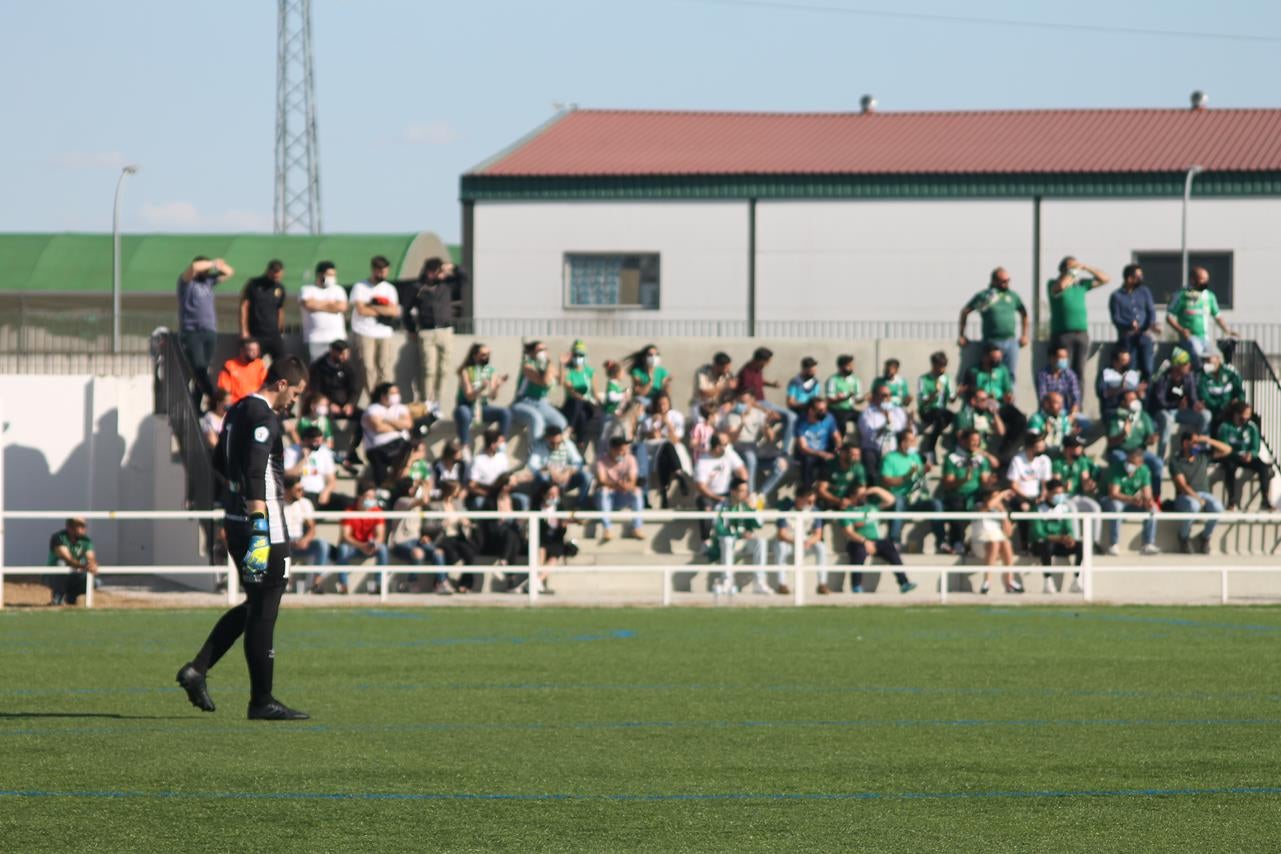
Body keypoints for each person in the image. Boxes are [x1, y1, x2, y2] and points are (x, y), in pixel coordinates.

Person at [176, 355, 310, 720]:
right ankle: (261, 701)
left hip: (237, 521)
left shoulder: (236, 409)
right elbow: (254, 470)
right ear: (282, 384)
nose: (295, 401)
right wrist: (260, 524)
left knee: (255, 603)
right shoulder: (265, 416)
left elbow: (219, 461)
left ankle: (198, 669)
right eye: (296, 393)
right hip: (264, 527)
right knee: (266, 604)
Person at [405, 257, 464, 412]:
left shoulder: (446, 286)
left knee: (443, 369)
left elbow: (464, 277)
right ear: (430, 272)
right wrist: (411, 329)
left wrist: (452, 267)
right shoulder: (418, 288)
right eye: (438, 271)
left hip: (445, 330)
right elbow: (406, 310)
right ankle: (427, 402)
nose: (441, 274)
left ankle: (437, 401)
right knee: (428, 369)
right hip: (427, 331)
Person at [880, 429, 949, 554]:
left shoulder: (915, 457)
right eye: (911, 441)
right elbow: (887, 481)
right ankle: (894, 541)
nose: (914, 444)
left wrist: (926, 470)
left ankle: (942, 541)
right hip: (899, 497)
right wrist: (905, 477)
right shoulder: (890, 458)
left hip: (916, 498)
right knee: (898, 503)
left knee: (936, 504)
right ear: (902, 442)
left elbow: (918, 476)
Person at [178, 256, 234, 407]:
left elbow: (229, 272)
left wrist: (219, 266)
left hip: (209, 331)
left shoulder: (208, 281)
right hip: (192, 332)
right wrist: (213, 263)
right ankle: (214, 398)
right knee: (199, 367)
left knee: (203, 371)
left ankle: (197, 405)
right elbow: (194, 267)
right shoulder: (186, 282)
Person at [958, 267, 1029, 382]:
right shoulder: (985, 296)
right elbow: (965, 312)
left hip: (1010, 342)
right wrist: (962, 335)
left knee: (1010, 375)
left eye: (1008, 281)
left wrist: (1024, 335)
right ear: (994, 281)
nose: (1006, 284)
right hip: (991, 341)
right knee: (990, 373)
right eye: (1003, 281)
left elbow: (1024, 313)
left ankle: (1009, 393)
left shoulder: (1012, 296)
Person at [1048, 256, 1110, 381]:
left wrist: (1085, 267)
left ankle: (1077, 394)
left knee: (1079, 371)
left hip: (1081, 334)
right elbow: (1061, 286)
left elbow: (1105, 279)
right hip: (1063, 334)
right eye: (1071, 267)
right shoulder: (1053, 283)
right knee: (1064, 370)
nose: (1075, 269)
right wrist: (1071, 272)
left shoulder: (1081, 284)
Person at [708, 477, 774, 595]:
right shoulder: (721, 506)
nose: (745, 494)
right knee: (727, 540)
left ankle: (759, 582)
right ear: (733, 491)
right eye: (741, 491)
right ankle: (726, 581)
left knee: (760, 541)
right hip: (727, 543)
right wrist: (739, 533)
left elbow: (759, 525)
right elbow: (720, 529)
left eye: (746, 491)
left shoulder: (746, 506)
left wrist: (753, 509)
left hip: (743, 543)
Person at [720, 389, 788, 501]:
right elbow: (732, 439)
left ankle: (761, 495)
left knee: (781, 464)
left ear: (752, 401)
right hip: (739, 448)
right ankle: (750, 494)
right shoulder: (732, 416)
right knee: (750, 456)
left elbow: (771, 438)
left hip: (754, 449)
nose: (743, 405)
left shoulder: (758, 414)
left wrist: (767, 425)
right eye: (741, 402)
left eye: (745, 402)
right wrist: (741, 423)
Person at [842, 494, 917, 595]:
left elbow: (891, 500)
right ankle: (856, 586)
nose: (862, 497)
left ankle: (904, 583)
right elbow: (848, 532)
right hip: (858, 541)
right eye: (859, 495)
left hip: (875, 540)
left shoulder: (872, 508)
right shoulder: (848, 512)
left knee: (890, 547)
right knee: (859, 552)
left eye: (864, 494)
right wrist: (865, 542)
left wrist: (874, 489)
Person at [1169, 431, 1230, 554]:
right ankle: (1183, 536)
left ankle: (1205, 537)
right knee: (1194, 505)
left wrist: (1208, 440)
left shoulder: (1203, 456)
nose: (1197, 446)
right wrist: (1197, 498)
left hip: (1204, 494)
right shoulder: (1175, 461)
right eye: (1195, 443)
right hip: (1185, 496)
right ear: (1185, 443)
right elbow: (1182, 485)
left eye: (1198, 443)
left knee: (1218, 507)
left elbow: (1227, 450)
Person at [940, 429, 999, 555]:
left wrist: (990, 480)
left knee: (991, 505)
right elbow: (948, 483)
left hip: (976, 495)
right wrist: (963, 480)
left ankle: (981, 542)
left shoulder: (981, 458)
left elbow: (984, 480)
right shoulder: (952, 457)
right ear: (963, 441)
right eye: (972, 440)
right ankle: (957, 542)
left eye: (978, 440)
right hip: (957, 494)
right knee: (957, 505)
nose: (975, 443)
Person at [349, 255, 400, 400]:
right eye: (380, 271)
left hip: (384, 333)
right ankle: (374, 398)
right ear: (373, 270)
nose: (383, 274)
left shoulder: (390, 289)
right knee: (368, 366)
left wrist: (371, 306)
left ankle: (385, 396)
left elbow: (394, 311)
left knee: (385, 367)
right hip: (364, 331)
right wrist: (383, 310)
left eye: (385, 271)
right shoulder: (360, 287)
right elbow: (361, 310)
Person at [960, 342, 1024, 457]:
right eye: (993, 358)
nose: (997, 361)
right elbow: (971, 393)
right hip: (982, 406)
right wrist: (986, 399)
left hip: (999, 405)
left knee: (1020, 419)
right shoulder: (974, 371)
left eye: (999, 358)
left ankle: (1005, 450)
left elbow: (1008, 389)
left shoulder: (1002, 370)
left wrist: (1008, 396)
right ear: (985, 357)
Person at [1166, 266, 1237, 370]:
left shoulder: (1209, 296)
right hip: (1190, 338)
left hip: (1205, 338)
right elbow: (1169, 317)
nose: (1205, 282)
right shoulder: (1181, 295)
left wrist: (1227, 330)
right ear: (1193, 280)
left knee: (1217, 359)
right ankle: (1199, 374)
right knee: (1197, 357)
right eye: (1202, 279)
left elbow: (1217, 316)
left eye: (1207, 279)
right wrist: (1181, 330)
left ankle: (1209, 377)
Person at [307, 340, 362, 471]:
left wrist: (350, 404)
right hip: (327, 405)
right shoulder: (319, 366)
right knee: (324, 418)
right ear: (333, 352)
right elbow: (315, 389)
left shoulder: (348, 366)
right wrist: (329, 404)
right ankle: (329, 450)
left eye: (346, 354)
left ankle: (353, 449)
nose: (344, 357)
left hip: (346, 405)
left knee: (364, 417)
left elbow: (355, 388)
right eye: (341, 354)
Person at [389, 479, 451, 595]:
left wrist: (424, 536)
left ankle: (441, 582)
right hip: (400, 542)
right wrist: (425, 486)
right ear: (409, 489)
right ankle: (411, 582)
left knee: (438, 552)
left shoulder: (416, 503)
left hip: (416, 540)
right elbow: (424, 500)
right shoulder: (402, 501)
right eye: (414, 487)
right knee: (418, 553)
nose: (416, 489)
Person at [1148, 348, 1211, 460]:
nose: (1189, 365)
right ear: (1177, 366)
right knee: (1167, 420)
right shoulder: (1163, 377)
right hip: (1164, 412)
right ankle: (1160, 458)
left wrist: (1196, 405)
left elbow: (1192, 397)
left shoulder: (1189, 376)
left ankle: (1203, 455)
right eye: (1185, 363)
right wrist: (1176, 404)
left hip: (1181, 412)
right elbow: (1159, 402)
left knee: (1206, 415)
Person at [633, 392, 691, 508]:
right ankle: (678, 473)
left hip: (668, 447)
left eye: (664, 404)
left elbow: (676, 439)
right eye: (659, 404)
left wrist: (667, 424)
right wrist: (653, 429)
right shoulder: (650, 418)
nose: (662, 407)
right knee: (664, 447)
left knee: (665, 452)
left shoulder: (676, 416)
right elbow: (643, 437)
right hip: (654, 447)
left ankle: (664, 493)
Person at [1101, 446, 1159, 556]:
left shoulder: (1144, 470)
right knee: (1116, 506)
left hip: (1131, 501)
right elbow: (1113, 494)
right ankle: (1113, 544)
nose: (1129, 464)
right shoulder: (1117, 468)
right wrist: (1132, 499)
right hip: (1112, 500)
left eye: (1133, 463)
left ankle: (1148, 544)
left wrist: (1147, 501)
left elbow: (1147, 493)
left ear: (1140, 463)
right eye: (1128, 461)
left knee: (1152, 508)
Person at [425, 481, 482, 593]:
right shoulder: (434, 505)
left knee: (469, 553)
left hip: (458, 536)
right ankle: (440, 581)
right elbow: (427, 526)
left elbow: (467, 518)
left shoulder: (458, 503)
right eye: (457, 490)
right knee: (451, 555)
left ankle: (465, 584)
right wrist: (442, 524)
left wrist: (466, 522)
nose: (459, 492)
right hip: (443, 537)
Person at [1107, 388, 1164, 497]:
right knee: (1121, 461)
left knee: (1157, 463)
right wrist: (1123, 434)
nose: (1135, 402)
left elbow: (1149, 438)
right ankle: (1122, 494)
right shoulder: (1116, 417)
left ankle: (1156, 497)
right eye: (1131, 399)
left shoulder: (1143, 415)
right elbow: (1111, 442)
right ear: (1123, 402)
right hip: (1121, 450)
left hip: (1139, 452)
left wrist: (1152, 439)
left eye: (1135, 399)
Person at [335, 481, 391, 592]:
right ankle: (343, 585)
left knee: (383, 549)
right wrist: (362, 546)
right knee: (343, 549)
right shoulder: (349, 512)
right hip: (354, 547)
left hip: (370, 546)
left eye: (373, 497)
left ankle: (379, 585)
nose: (371, 500)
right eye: (368, 496)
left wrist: (373, 544)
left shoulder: (377, 512)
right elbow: (345, 537)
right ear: (360, 497)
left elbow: (380, 536)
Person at [693, 432, 748, 541]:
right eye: (725, 444)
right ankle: (706, 540)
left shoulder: (729, 453)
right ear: (717, 447)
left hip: (727, 493)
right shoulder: (702, 462)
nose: (728, 446)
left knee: (743, 493)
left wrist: (738, 490)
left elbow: (743, 474)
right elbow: (701, 487)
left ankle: (740, 533)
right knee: (706, 507)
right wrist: (718, 498)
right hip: (707, 495)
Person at [454, 342, 512, 447]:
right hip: (466, 406)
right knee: (464, 414)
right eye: (484, 355)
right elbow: (469, 396)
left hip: (482, 407)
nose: (487, 357)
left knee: (505, 413)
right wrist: (481, 388)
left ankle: (500, 445)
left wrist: (497, 386)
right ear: (475, 355)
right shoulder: (466, 371)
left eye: (488, 354)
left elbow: (493, 397)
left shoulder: (490, 371)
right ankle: (464, 446)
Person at [1031, 479, 1083, 594]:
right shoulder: (1038, 508)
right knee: (1047, 545)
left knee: (1081, 546)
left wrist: (1069, 538)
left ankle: (1076, 580)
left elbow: (1069, 528)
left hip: (1060, 544)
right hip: (1041, 545)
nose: (1059, 496)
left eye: (1061, 493)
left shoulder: (1064, 508)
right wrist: (1058, 538)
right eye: (1056, 493)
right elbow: (1038, 533)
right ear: (1048, 493)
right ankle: (1047, 581)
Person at [1218, 401, 1272, 511]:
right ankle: (1231, 501)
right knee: (1230, 468)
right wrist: (1237, 455)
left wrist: (1251, 454)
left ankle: (1265, 499)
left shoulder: (1251, 427)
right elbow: (1223, 447)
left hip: (1247, 456)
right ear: (1237, 414)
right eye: (1245, 414)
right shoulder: (1225, 427)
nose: (1247, 417)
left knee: (1263, 467)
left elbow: (1255, 447)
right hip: (1231, 456)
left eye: (1248, 414)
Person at [738, 346, 795, 449]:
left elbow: (758, 381)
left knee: (792, 417)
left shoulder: (758, 369)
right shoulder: (746, 373)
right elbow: (747, 399)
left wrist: (771, 384)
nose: (768, 364)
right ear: (761, 360)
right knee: (788, 417)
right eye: (768, 361)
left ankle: (782, 447)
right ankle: (781, 448)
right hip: (758, 404)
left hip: (764, 402)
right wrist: (766, 410)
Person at [1109, 263, 1159, 378]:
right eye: (1138, 276)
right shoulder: (1116, 296)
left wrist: (1149, 325)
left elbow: (1151, 311)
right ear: (1129, 278)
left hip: (1144, 335)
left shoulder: (1144, 292)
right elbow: (1116, 318)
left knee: (1148, 368)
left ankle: (1146, 387)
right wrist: (1128, 324)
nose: (1141, 279)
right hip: (1128, 337)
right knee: (1131, 368)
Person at [282, 476, 331, 594]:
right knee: (280, 545)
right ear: (287, 490)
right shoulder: (278, 504)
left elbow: (312, 528)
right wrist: (289, 542)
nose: (301, 492)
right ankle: (285, 584)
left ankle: (316, 584)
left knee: (321, 544)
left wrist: (305, 540)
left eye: (302, 489)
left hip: (299, 541)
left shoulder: (305, 503)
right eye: (298, 490)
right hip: (283, 541)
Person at [968, 489, 1022, 594]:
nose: (998, 500)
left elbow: (1009, 533)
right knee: (994, 543)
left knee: (1006, 543)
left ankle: (1009, 581)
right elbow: (988, 505)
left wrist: (1003, 513)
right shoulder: (978, 506)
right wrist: (1003, 493)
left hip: (999, 545)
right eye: (995, 497)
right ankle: (987, 581)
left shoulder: (1000, 511)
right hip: (980, 544)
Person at [512, 340, 568, 441]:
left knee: (561, 423)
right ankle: (535, 449)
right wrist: (549, 364)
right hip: (525, 401)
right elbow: (544, 382)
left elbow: (560, 381)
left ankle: (547, 446)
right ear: (532, 353)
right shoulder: (528, 365)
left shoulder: (548, 366)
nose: (543, 352)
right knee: (536, 418)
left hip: (542, 403)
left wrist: (561, 365)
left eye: (545, 349)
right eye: (540, 350)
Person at [1006, 431, 1054, 548]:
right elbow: (1013, 485)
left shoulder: (1045, 460)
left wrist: (1042, 496)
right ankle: (1025, 545)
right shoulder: (1018, 460)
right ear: (1030, 447)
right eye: (1038, 447)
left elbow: (1045, 483)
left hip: (1037, 496)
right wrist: (1027, 499)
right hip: (1020, 495)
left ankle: (1042, 543)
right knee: (1024, 509)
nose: (1041, 450)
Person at [1053, 434, 1103, 544]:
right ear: (1068, 449)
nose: (1080, 450)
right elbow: (1055, 486)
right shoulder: (1058, 462)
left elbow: (1085, 480)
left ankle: (1094, 542)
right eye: (1077, 447)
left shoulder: (1082, 461)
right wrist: (1064, 487)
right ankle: (1076, 541)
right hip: (1062, 497)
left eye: (1080, 447)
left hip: (1077, 496)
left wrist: (1090, 484)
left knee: (1095, 508)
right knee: (1072, 509)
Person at [283, 425, 346, 511]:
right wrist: (304, 459)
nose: (318, 444)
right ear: (306, 440)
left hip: (320, 493)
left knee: (345, 502)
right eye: (315, 441)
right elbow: (288, 475)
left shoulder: (324, 452)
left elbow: (331, 480)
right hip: (303, 493)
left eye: (320, 441)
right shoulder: (291, 451)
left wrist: (326, 492)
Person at [594, 435, 644, 542]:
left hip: (623, 495)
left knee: (637, 492)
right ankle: (607, 528)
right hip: (609, 496)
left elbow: (633, 480)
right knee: (603, 491)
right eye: (621, 450)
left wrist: (627, 486)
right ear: (612, 449)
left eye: (625, 450)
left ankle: (637, 527)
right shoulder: (601, 460)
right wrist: (616, 485)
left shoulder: (630, 459)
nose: (624, 453)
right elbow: (601, 480)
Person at [362, 382, 413, 487]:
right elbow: (378, 427)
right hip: (378, 449)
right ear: (383, 396)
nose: (396, 395)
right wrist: (399, 427)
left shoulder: (401, 408)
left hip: (400, 446)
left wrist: (387, 420)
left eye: (397, 392)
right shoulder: (373, 409)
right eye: (392, 393)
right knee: (381, 477)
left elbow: (408, 424)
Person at [774, 487, 824, 593]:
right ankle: (782, 584)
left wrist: (809, 541)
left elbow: (818, 535)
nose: (811, 504)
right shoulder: (786, 508)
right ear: (798, 498)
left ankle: (822, 584)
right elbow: (782, 534)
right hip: (790, 541)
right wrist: (797, 541)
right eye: (809, 501)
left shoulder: (815, 510)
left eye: (813, 502)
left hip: (806, 542)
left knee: (821, 547)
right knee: (780, 547)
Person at [527, 425, 591, 507]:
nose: (556, 446)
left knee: (587, 476)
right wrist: (548, 469)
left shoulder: (567, 444)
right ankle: (537, 505)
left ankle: (580, 507)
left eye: (558, 443)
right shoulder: (540, 445)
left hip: (565, 479)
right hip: (547, 482)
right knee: (541, 477)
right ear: (546, 438)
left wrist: (569, 471)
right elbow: (532, 465)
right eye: (552, 443)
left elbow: (578, 463)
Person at [468, 428, 530, 511]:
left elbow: (506, 478)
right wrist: (488, 494)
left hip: (503, 492)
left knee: (523, 499)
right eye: (500, 442)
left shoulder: (502, 457)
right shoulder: (478, 460)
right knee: (479, 502)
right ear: (493, 445)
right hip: (486, 493)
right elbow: (472, 485)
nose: (502, 445)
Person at [857, 384, 907, 484]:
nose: (887, 398)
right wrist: (884, 426)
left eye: (889, 395)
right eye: (884, 395)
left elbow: (900, 428)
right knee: (871, 467)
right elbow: (868, 434)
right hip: (873, 449)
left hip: (891, 449)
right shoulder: (867, 413)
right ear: (875, 397)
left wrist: (888, 417)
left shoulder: (897, 411)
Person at [299, 261, 348, 362]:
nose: (332, 278)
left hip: (337, 337)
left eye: (333, 275)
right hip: (315, 338)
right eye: (329, 275)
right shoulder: (307, 289)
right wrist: (331, 304)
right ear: (319, 275)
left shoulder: (338, 290)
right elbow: (308, 304)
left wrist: (318, 303)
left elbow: (342, 307)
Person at [239, 260, 287, 362]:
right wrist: (244, 331)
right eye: (274, 275)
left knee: (282, 362)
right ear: (268, 271)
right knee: (253, 364)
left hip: (274, 335)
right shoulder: (254, 284)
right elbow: (244, 306)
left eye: (279, 276)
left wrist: (280, 330)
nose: (276, 278)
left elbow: (280, 309)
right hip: (256, 334)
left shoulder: (280, 288)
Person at [1035, 344, 1090, 432]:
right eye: (1061, 357)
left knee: (1085, 424)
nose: (1064, 360)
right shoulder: (1043, 375)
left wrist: (1072, 415)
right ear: (1052, 358)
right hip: (1048, 413)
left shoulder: (1070, 375)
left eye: (1065, 357)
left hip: (1067, 413)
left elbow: (1076, 398)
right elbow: (1043, 399)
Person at [46, 517, 97, 606]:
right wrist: (83, 566)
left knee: (96, 582)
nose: (83, 528)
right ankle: (57, 598)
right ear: (69, 527)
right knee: (61, 564)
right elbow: (67, 558)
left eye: (84, 525)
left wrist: (92, 564)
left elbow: (90, 557)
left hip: (73, 574)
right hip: (52, 576)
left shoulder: (86, 540)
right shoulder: (58, 537)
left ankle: (71, 596)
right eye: (79, 525)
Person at [916, 351, 956, 461]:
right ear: (934, 365)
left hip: (941, 411)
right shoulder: (924, 379)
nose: (943, 369)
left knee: (952, 417)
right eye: (940, 366)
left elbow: (952, 398)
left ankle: (934, 448)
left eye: (944, 366)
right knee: (939, 416)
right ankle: (930, 449)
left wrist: (956, 394)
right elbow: (923, 401)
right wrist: (933, 394)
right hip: (927, 410)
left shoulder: (947, 378)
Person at [561, 339, 599, 451]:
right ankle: (579, 440)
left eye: (581, 355)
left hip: (587, 404)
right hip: (572, 403)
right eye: (576, 355)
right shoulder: (569, 371)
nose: (578, 358)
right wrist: (561, 365)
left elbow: (595, 393)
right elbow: (566, 385)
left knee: (583, 412)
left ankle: (573, 431)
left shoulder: (590, 371)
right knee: (579, 408)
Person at [797, 398, 843, 489]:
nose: (824, 412)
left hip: (824, 450)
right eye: (821, 410)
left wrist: (838, 446)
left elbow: (837, 436)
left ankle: (827, 489)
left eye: (825, 409)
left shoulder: (829, 418)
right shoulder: (801, 422)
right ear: (811, 411)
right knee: (807, 461)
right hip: (809, 453)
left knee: (835, 459)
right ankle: (807, 489)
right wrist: (821, 454)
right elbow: (803, 447)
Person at [1197, 353, 1245, 437]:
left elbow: (1240, 391)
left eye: (1209, 359)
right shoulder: (1202, 374)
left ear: (1218, 359)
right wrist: (1221, 406)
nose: (1207, 362)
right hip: (1214, 410)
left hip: (1230, 408)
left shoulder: (1230, 372)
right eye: (1205, 360)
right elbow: (1204, 396)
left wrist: (1238, 403)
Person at [953, 389, 1007, 457]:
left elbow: (1001, 432)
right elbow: (961, 440)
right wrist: (986, 455)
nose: (987, 402)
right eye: (983, 400)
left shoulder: (987, 415)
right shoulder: (963, 415)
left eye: (987, 399)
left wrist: (995, 413)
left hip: (984, 453)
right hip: (967, 454)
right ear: (973, 401)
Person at [216, 337, 268, 405]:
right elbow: (224, 391)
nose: (254, 353)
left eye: (256, 350)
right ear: (242, 351)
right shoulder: (230, 366)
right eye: (251, 350)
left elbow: (265, 385)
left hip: (255, 403)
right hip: (237, 404)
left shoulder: (259, 364)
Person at [825, 354, 865, 439]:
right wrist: (844, 398)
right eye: (849, 366)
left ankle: (863, 444)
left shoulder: (855, 380)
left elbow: (857, 400)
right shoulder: (833, 380)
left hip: (849, 409)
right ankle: (839, 444)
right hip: (836, 410)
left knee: (864, 418)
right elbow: (830, 400)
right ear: (841, 367)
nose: (852, 367)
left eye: (852, 365)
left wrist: (865, 398)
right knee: (841, 425)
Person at [1096, 348, 1141, 419]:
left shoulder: (1132, 374)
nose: (1127, 364)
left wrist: (1140, 391)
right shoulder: (1106, 373)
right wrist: (1120, 388)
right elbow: (1103, 394)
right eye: (1123, 361)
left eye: (1128, 360)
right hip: (1112, 411)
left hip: (1131, 409)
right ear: (1115, 362)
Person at [691, 351, 735, 419]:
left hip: (718, 406)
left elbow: (733, 393)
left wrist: (730, 403)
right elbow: (704, 393)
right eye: (725, 368)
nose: (727, 371)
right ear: (716, 366)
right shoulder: (702, 372)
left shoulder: (728, 374)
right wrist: (725, 387)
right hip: (701, 406)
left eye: (728, 368)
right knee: (701, 422)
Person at [629, 343, 673, 410]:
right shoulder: (637, 372)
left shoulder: (662, 371)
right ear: (644, 358)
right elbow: (640, 393)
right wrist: (650, 382)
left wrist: (667, 385)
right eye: (650, 355)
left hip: (657, 402)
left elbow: (665, 394)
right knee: (639, 403)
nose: (654, 357)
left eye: (656, 355)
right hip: (643, 401)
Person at [786, 357, 823, 422]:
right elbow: (790, 403)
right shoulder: (795, 382)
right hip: (797, 412)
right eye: (811, 371)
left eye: (814, 371)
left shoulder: (815, 382)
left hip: (811, 412)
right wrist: (805, 405)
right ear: (804, 369)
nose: (814, 373)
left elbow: (816, 399)